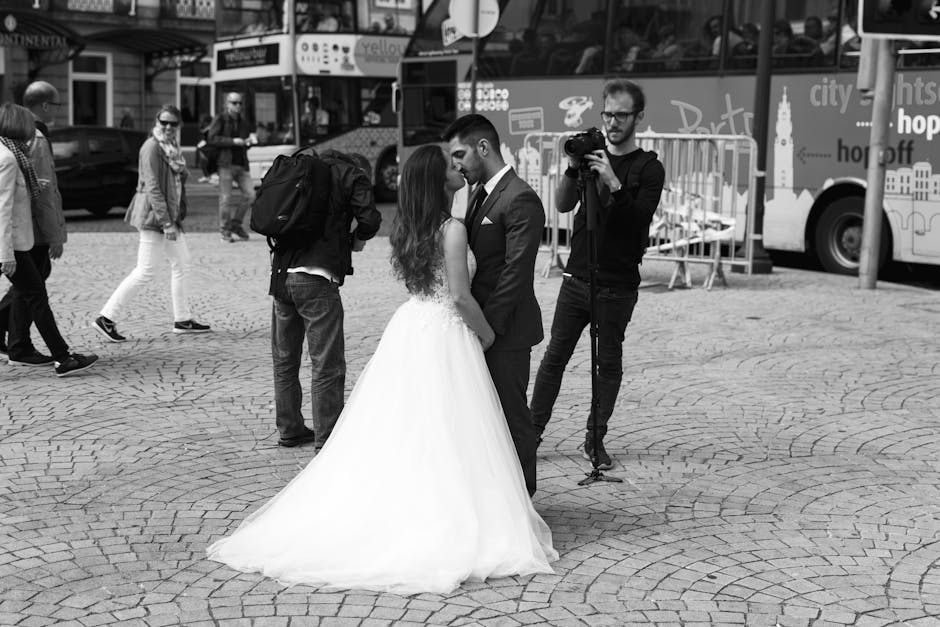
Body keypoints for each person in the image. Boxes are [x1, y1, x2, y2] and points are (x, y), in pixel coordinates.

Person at [207, 145, 557, 593]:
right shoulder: (450, 231)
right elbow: (460, 297)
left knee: (409, 425)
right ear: (436, 181)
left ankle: (415, 501)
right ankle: (448, 510)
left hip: (412, 325)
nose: (458, 168)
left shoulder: (410, 228)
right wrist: (486, 335)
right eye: (450, 167)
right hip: (445, 331)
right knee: (449, 425)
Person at [529, 79, 665, 470]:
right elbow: (562, 204)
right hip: (577, 278)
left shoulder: (648, 167)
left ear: (638, 117)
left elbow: (638, 220)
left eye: (621, 115)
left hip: (618, 283)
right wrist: (574, 168)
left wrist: (613, 181)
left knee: (609, 364)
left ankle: (595, 438)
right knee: (554, 358)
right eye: (607, 113)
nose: (612, 122)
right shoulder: (590, 156)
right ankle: (531, 433)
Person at [443, 114, 545, 497]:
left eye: (459, 154)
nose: (455, 164)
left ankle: (523, 500)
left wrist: (488, 331)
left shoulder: (520, 198)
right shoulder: (477, 195)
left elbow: (515, 275)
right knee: (484, 417)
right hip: (481, 329)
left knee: (512, 417)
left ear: (482, 147)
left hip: (506, 331)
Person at [269, 148, 381, 449]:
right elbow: (370, 219)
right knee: (326, 364)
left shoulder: (301, 170)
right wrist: (353, 239)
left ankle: (290, 428)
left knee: (285, 360)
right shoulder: (350, 174)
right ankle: (328, 439)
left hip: (282, 275)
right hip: (316, 279)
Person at [91, 105, 210, 342]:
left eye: (173, 123)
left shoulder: (171, 148)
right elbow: (153, 186)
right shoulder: (151, 147)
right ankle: (106, 317)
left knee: (182, 263)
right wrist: (166, 223)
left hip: (168, 215)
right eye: (164, 122)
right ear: (157, 122)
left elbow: (175, 182)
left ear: (179, 126)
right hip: (154, 215)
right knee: (145, 270)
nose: (167, 127)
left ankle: (182, 319)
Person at [0, 102, 98, 376]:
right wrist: (6, 254)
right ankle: (63, 358)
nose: (33, 130)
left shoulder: (10, 153)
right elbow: (2, 210)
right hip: (12, 245)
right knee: (36, 295)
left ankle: (57, 355)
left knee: (33, 295)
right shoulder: (8, 159)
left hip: (12, 243)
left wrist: (30, 188)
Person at [0, 81, 66, 361]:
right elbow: (38, 197)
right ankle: (31, 347)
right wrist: (54, 234)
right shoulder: (31, 143)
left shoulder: (17, 147)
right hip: (25, 234)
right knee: (33, 289)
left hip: (23, 233)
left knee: (31, 287)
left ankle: (21, 345)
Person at [206, 92, 255, 243]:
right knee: (226, 198)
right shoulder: (220, 119)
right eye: (234, 103)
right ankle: (225, 230)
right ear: (227, 104)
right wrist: (233, 141)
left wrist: (249, 142)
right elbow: (212, 138)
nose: (238, 106)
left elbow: (245, 143)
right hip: (225, 164)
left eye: (240, 103)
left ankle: (235, 225)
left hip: (241, 164)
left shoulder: (244, 122)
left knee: (251, 195)